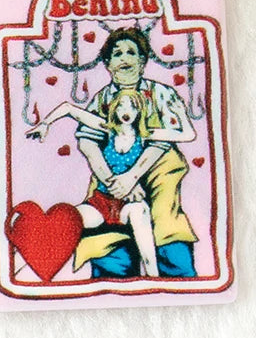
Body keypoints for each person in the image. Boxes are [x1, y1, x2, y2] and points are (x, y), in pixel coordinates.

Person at [52, 28, 196, 278]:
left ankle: (170, 279)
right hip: (111, 176)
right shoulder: (103, 99)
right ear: (108, 64)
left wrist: (132, 178)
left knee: (166, 227)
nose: (125, 59)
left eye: (132, 52)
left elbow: (161, 141)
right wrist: (114, 181)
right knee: (109, 240)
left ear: (143, 60)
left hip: (158, 173)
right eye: (117, 54)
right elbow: (88, 144)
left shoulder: (161, 94)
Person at [27, 89, 163, 277]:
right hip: (101, 202)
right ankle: (35, 267)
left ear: (140, 110)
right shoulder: (107, 128)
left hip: (129, 203)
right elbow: (69, 108)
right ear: (114, 109)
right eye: (121, 106)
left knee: (141, 213)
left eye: (132, 107)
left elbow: (187, 134)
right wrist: (45, 123)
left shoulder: (147, 135)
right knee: (64, 220)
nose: (126, 111)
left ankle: (153, 278)